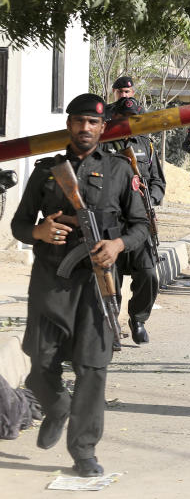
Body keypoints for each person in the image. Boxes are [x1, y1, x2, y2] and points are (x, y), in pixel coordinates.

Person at [11, 93, 149, 477]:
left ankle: (83, 450)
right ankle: (56, 408)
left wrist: (118, 244)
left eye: (92, 122)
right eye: (78, 121)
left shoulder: (121, 171)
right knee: (39, 365)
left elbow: (142, 228)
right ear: (68, 125)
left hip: (97, 283)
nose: (85, 128)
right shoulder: (45, 172)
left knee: (93, 368)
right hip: (51, 280)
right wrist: (38, 231)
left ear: (103, 128)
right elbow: (19, 224)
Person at [101, 97, 166, 343]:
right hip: (112, 222)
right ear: (114, 118)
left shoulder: (146, 145)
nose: (128, 123)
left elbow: (158, 181)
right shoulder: (103, 144)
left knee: (149, 275)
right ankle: (110, 325)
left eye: (133, 119)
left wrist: (152, 199)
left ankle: (138, 319)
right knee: (111, 278)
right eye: (123, 118)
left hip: (140, 221)